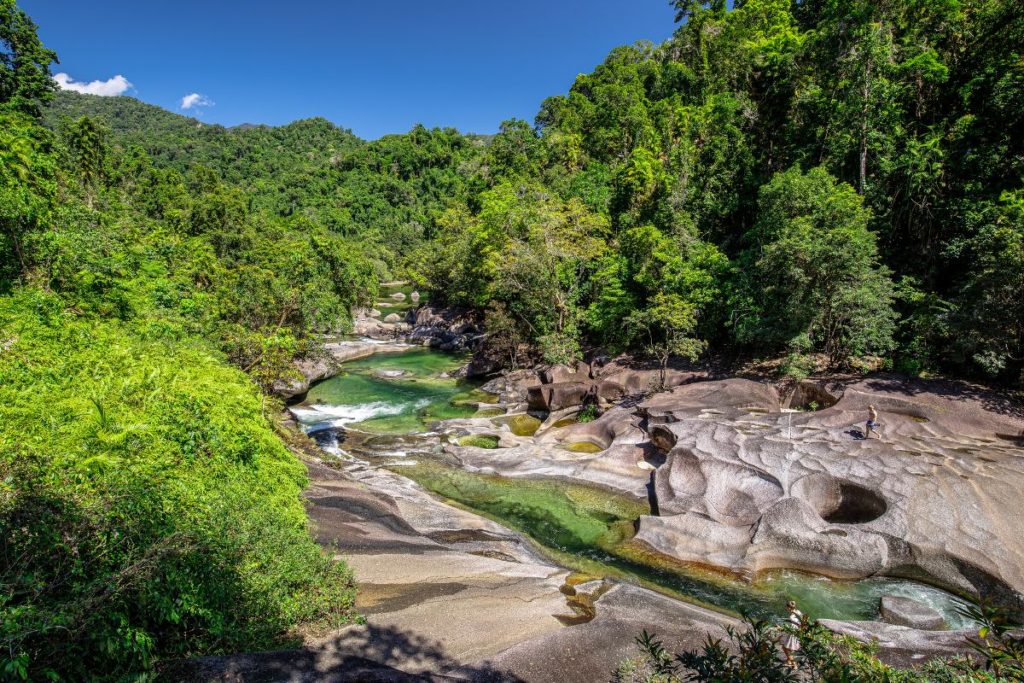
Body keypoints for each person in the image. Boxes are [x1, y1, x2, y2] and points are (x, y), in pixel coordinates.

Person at [781, 600, 803, 667]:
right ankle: (789, 661)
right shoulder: (798, 612)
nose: (786, 608)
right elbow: (801, 622)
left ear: (789, 607)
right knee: (791, 649)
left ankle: (794, 664)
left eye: (787, 607)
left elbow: (792, 625)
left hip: (792, 632)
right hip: (797, 632)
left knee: (784, 647)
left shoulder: (792, 615)